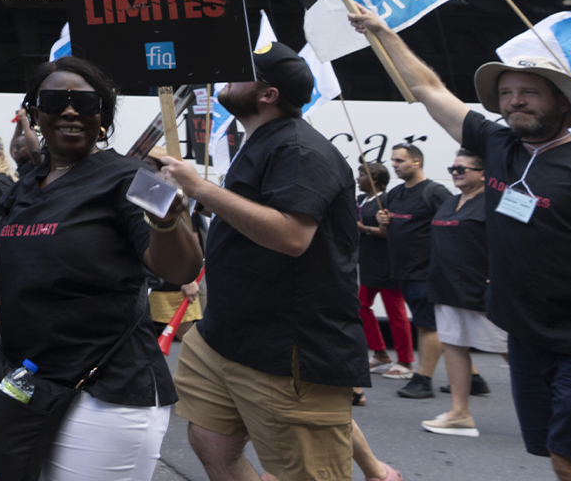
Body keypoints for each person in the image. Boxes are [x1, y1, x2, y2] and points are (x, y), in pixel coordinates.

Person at [349, 8, 571, 479]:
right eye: (507, 93)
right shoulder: (499, 147)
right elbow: (429, 90)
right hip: (530, 343)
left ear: (561, 104)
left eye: (529, 92)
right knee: (564, 464)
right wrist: (382, 33)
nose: (515, 101)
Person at [0, 56, 203, 481]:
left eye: (85, 102)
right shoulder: (26, 186)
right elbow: (3, 274)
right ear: (36, 113)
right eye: (56, 99)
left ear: (102, 116)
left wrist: (167, 221)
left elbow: (181, 267)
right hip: (30, 386)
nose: (70, 110)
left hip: (106, 394)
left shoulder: (129, 177)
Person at [155, 41, 384, 481]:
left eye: (241, 73)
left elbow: (292, 236)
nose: (226, 78)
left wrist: (202, 190)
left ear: (268, 94)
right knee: (211, 443)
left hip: (287, 350)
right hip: (224, 336)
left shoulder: (300, 149)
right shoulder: (260, 140)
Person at [422, 151, 502, 437]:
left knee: (513, 351)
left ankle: (552, 407)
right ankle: (459, 414)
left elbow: (519, 238)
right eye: (452, 168)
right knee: (454, 345)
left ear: (484, 173)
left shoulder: (497, 200)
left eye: (462, 168)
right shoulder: (450, 201)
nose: (455, 172)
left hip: (482, 289)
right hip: (446, 287)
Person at [375, 142, 449, 400]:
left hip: (426, 271)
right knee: (428, 323)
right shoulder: (395, 194)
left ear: (416, 162)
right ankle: (473, 378)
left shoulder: (435, 192)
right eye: (393, 161)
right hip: (403, 270)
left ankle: (423, 380)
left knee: (429, 325)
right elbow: (387, 234)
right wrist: (384, 224)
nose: (393, 165)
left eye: (399, 161)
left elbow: (453, 228)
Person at [355, 161, 415, 381]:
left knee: (396, 312)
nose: (357, 179)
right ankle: (379, 352)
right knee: (361, 306)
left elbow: (390, 232)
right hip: (368, 263)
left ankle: (406, 360)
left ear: (375, 180)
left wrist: (365, 229)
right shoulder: (361, 200)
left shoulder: (387, 200)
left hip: (387, 264)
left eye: (361, 175)